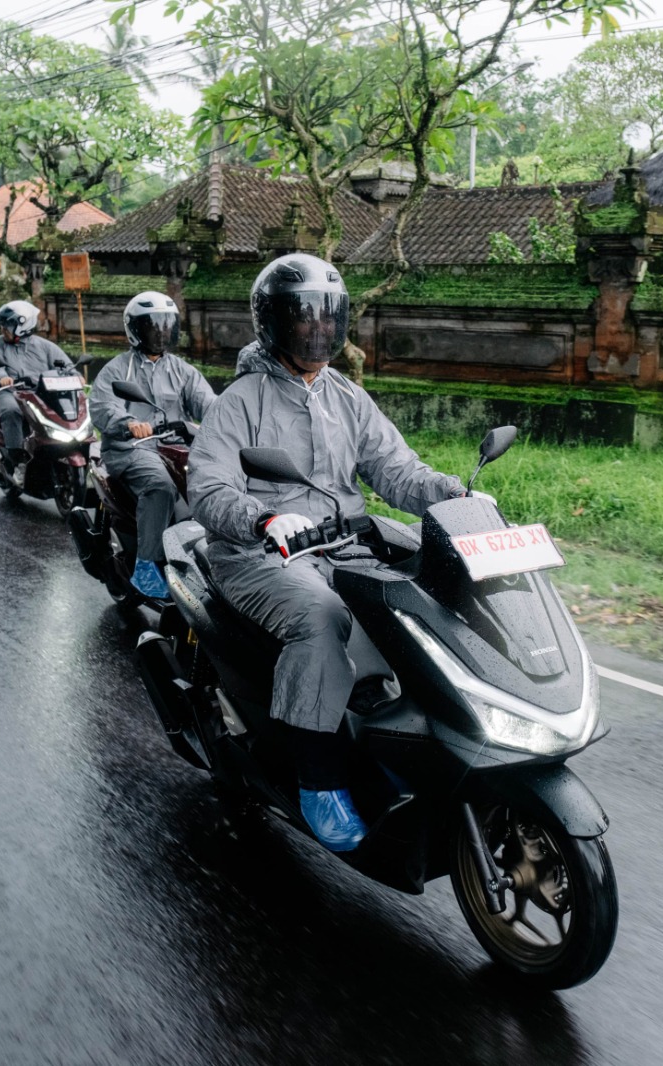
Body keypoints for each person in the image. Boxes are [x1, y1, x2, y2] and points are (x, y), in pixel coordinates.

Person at [187, 253, 466, 853]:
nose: (318, 328)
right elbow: (208, 488)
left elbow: (396, 470)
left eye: (327, 315)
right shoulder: (240, 401)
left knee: (429, 593)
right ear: (272, 322)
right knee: (323, 619)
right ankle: (318, 780)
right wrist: (262, 518)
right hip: (259, 552)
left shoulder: (347, 397)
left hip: (344, 541)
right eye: (302, 316)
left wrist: (455, 496)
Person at [88, 292, 216, 599]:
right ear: (134, 330)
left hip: (175, 448)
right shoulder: (119, 369)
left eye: (165, 325)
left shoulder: (182, 370)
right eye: (152, 326)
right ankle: (146, 565)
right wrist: (128, 422)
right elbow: (103, 405)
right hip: (131, 449)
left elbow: (209, 403)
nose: (160, 332)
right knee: (160, 487)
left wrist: (234, 420)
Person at [0, 300, 74, 487]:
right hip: (7, 393)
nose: (3, 330)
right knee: (11, 410)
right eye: (3, 326)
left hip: (38, 393)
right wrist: (1, 377)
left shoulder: (45, 346)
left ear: (22, 327)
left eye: (7, 326)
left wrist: (75, 376)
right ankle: (19, 462)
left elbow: (66, 365)